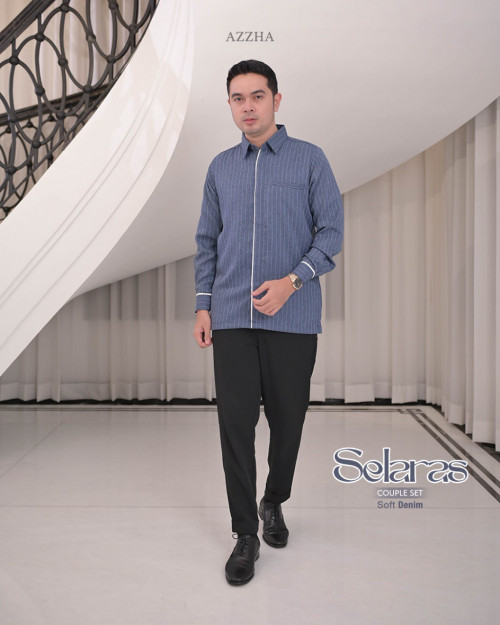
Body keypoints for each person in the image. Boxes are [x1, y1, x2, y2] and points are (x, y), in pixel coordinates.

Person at [193, 59, 343, 585]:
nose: (248, 106)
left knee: (288, 421)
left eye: (258, 96)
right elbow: (207, 240)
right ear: (230, 105)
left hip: (293, 317)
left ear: (276, 101)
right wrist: (204, 305)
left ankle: (273, 500)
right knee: (235, 425)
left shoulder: (310, 159)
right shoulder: (220, 168)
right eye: (238, 98)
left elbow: (330, 233)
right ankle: (245, 535)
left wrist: (291, 283)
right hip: (232, 317)